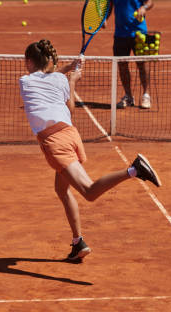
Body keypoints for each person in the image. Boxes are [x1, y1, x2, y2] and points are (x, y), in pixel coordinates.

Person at [19, 39, 162, 261]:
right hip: (71, 135)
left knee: (89, 191)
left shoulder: (25, 82)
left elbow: (47, 75)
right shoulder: (60, 80)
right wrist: (71, 78)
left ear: (29, 62)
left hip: (55, 143)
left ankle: (134, 170)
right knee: (62, 189)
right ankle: (78, 242)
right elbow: (70, 108)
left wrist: (71, 77)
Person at [106, 0, 154, 109]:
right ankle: (128, 95)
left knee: (143, 64)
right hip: (120, 34)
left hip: (139, 32)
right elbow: (109, 5)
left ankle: (146, 95)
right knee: (122, 65)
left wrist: (143, 7)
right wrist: (105, 18)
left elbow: (149, 1)